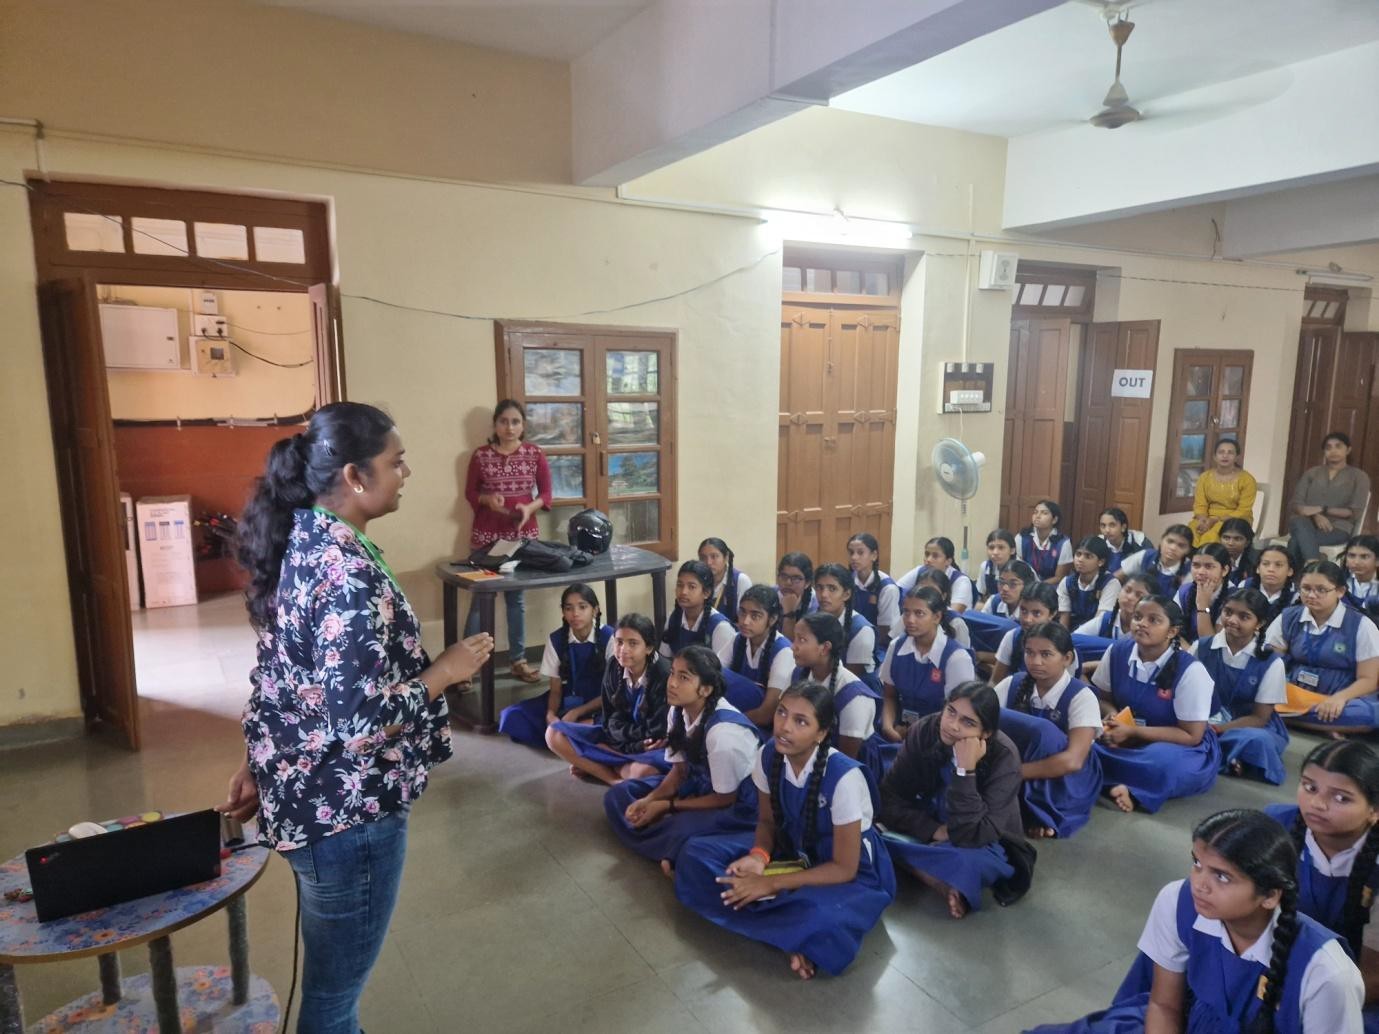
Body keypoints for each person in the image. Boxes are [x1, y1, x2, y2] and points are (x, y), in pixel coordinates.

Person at [222, 403, 495, 1033]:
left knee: (331, 984)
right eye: (396, 463)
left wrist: (258, 760)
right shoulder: (345, 572)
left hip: (307, 791)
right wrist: (445, 671)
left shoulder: (310, 539)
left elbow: (283, 673)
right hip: (348, 813)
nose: (406, 474)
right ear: (354, 476)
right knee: (332, 999)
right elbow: (360, 722)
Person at [1031, 809, 1364, 1034]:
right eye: (1197, 864)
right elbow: (1164, 1004)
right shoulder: (1178, 901)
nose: (1199, 884)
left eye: (1222, 876)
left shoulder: (1327, 972)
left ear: (1270, 895)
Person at [673, 680, 897, 980]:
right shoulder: (768, 756)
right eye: (781, 713)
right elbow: (767, 823)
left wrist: (771, 884)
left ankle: (781, 923)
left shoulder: (843, 778)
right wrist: (759, 856)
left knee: (824, 918)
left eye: (801, 721)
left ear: (821, 733)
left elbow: (845, 868)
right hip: (792, 848)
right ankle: (790, 932)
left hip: (850, 872)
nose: (784, 727)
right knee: (694, 854)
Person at [878, 683, 1033, 918]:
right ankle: (935, 878)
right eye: (950, 711)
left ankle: (915, 862)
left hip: (981, 840)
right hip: (931, 819)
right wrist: (932, 829)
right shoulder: (925, 730)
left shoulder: (1005, 757)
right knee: (867, 832)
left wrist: (965, 771)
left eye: (968, 723)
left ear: (986, 733)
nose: (953, 725)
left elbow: (976, 835)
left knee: (971, 863)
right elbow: (889, 796)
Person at [604, 646, 760, 874]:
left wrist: (668, 805)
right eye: (672, 673)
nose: (672, 683)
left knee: (680, 831)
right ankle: (663, 842)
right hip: (697, 784)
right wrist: (649, 800)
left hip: (737, 805)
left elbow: (725, 799)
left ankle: (667, 838)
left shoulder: (723, 734)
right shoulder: (677, 711)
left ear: (705, 689)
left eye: (684, 677)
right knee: (618, 795)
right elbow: (679, 772)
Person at [1266, 741, 1379, 1027]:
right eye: (1309, 787)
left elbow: (1373, 975)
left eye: (1341, 798)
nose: (1317, 804)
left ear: (1374, 811)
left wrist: (1298, 1005)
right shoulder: (1273, 825)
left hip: (1355, 985)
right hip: (1273, 964)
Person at [1090, 596, 1220, 814]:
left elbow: (1191, 736)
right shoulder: (1117, 651)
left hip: (1177, 745)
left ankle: (1129, 790)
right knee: (1083, 744)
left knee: (1162, 763)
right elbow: (1104, 699)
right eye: (1138, 617)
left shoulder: (1191, 671)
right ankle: (1121, 783)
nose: (1142, 624)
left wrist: (1133, 731)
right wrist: (1113, 718)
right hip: (1125, 734)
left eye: (1153, 620)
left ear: (1172, 631)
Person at [463, 399, 551, 684]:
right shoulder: (480, 456)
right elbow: (470, 493)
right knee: (480, 602)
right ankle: (465, 668)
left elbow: (546, 494)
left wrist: (529, 508)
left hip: (521, 539)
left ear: (523, 426)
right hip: (486, 539)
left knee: (516, 600)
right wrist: (488, 499)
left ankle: (518, 661)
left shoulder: (535, 454)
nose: (509, 427)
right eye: (504, 421)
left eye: (515, 422)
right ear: (495, 425)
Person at [994, 623, 1102, 839]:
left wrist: (1010, 772)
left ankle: (1037, 810)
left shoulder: (1082, 696)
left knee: (1043, 732)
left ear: (1067, 658)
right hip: (1016, 761)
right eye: (1029, 653)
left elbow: (1073, 761)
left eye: (1046, 654)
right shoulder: (1011, 684)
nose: (1035, 661)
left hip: (1064, 774)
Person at [545, 614, 671, 785]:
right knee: (553, 733)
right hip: (621, 741)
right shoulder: (613, 665)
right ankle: (612, 778)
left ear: (648, 648)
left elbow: (655, 735)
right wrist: (621, 743)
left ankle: (598, 764)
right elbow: (609, 719)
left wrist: (625, 745)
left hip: (647, 747)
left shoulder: (663, 676)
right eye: (619, 642)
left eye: (633, 643)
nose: (623, 649)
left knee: (643, 773)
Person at [1266, 559, 1379, 735]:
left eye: (1321, 590)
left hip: (1341, 698)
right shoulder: (1288, 617)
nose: (1312, 595)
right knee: (1255, 692)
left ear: (1340, 591)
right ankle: (1325, 724)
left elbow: (1369, 680)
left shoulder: (1361, 625)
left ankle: (1281, 717)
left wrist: (1339, 699)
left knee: (1369, 714)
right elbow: (1270, 664)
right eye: (1306, 588)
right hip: (1294, 693)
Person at [497, 583, 614, 747]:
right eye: (569, 608)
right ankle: (569, 735)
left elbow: (613, 692)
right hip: (569, 698)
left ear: (595, 610)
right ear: (563, 612)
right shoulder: (556, 639)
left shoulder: (610, 638)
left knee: (611, 724)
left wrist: (576, 712)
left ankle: (570, 734)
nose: (575, 614)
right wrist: (551, 715)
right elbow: (556, 690)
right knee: (511, 715)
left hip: (602, 702)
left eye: (582, 607)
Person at [1195, 588, 1290, 785]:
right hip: (1201, 720)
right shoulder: (1201, 647)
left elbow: (1259, 718)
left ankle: (1211, 752)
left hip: (1245, 727)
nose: (1232, 620)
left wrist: (1217, 729)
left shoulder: (1271, 662)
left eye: (1244, 617)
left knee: (1258, 741)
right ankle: (1229, 757)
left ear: (1260, 623)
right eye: (1228, 612)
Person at [876, 586, 976, 763]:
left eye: (919, 613)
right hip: (899, 729)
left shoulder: (956, 658)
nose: (910, 620)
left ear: (937, 617)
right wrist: (887, 726)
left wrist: (916, 732)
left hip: (939, 736)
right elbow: (889, 695)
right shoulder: (896, 646)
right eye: (906, 612)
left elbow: (958, 715)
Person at [790, 612, 876, 761]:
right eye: (794, 638)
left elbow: (846, 759)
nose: (793, 647)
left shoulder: (855, 698)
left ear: (825, 648)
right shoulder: (798, 674)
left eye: (802, 640)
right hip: (807, 753)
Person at [719, 585, 795, 728]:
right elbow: (712, 671)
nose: (745, 621)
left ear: (772, 619)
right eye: (742, 612)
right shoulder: (738, 639)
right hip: (735, 714)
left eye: (755, 616)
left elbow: (766, 714)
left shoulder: (783, 652)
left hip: (760, 726)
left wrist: (725, 720)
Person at [1289, 431, 1372, 561]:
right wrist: (1315, 515)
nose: (1333, 451)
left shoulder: (1359, 476)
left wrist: (1324, 509)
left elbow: (1354, 513)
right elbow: (1295, 504)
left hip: (1337, 529)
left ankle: (1309, 566)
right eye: (1328, 447)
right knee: (1299, 522)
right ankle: (1313, 566)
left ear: (1348, 450)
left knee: (1296, 541)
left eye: (1338, 446)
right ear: (1324, 451)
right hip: (1305, 523)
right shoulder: (1312, 473)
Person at [813, 562, 877, 680]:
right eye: (819, 587)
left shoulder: (862, 630)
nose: (824, 594)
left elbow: (850, 679)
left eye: (832, 589)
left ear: (846, 594)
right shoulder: (812, 621)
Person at [661, 560, 735, 657]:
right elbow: (665, 658)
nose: (683, 592)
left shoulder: (720, 627)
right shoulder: (673, 617)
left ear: (706, 593)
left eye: (692, 587)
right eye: (680, 585)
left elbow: (720, 666)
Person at [1191, 438, 1258, 545]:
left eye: (1230, 453)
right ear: (1214, 456)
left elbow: (1243, 510)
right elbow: (1200, 504)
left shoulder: (1247, 479)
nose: (1225, 456)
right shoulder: (1204, 477)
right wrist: (1203, 520)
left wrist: (1215, 520)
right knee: (1190, 533)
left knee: (1210, 537)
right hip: (1207, 517)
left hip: (1235, 519)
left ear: (1237, 457)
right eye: (1221, 452)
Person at [847, 532, 899, 663]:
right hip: (853, 636)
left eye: (860, 553)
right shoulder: (847, 580)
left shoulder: (887, 588)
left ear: (874, 555)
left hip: (880, 644)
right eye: (851, 552)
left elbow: (884, 631)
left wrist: (863, 643)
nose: (854, 557)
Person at [896, 536, 975, 612]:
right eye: (927, 554)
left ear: (948, 561)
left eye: (935, 556)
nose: (928, 559)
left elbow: (954, 613)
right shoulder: (919, 571)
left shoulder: (961, 581)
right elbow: (896, 591)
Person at [1175, 542, 1232, 646]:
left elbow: (1211, 645)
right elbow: (1172, 631)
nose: (1200, 572)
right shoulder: (1184, 591)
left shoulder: (1233, 598)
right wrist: (1189, 652)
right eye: (1196, 565)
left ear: (1224, 570)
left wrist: (1203, 605)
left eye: (1209, 566)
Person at [1057, 536, 1119, 631]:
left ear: (1101, 562)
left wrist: (1076, 636)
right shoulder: (1066, 582)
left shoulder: (1111, 583)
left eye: (1088, 556)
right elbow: (1063, 623)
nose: (1080, 559)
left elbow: (1100, 622)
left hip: (1097, 634)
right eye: (1078, 554)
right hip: (1070, 634)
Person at [1116, 524, 1194, 597]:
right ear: (1161, 540)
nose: (1173, 548)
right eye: (1170, 541)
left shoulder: (1190, 571)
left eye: (1181, 545)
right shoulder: (1146, 555)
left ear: (1188, 550)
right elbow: (1117, 577)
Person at [1014, 499, 1072, 584]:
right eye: (1035, 512)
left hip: (1050, 587)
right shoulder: (1021, 537)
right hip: (1025, 585)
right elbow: (1017, 569)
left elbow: (1059, 577)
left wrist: (1037, 587)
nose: (1037, 516)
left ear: (1054, 520)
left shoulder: (1063, 543)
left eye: (1044, 513)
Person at [699, 537, 751, 620]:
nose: (708, 562)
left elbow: (746, 618)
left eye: (714, 556)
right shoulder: (697, 580)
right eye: (703, 557)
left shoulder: (740, 580)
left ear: (726, 557)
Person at [776, 552, 815, 641]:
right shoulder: (770, 595)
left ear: (807, 583)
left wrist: (789, 613)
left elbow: (791, 645)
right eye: (784, 576)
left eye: (796, 578)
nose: (788, 582)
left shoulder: (816, 605)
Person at [1098, 507, 1148, 574]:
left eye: (1112, 525)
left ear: (1123, 527)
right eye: (1103, 526)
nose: (1107, 530)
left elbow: (1151, 569)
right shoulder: (1098, 543)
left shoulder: (1139, 541)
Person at [976, 529, 1017, 605]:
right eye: (991, 548)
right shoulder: (985, 567)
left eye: (1001, 548)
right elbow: (979, 595)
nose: (995, 552)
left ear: (1012, 550)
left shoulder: (1022, 569)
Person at [1345, 533, 1379, 623]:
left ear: (1377, 561)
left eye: (1364, 557)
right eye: (1351, 556)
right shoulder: (1338, 582)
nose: (1356, 562)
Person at [1219, 516, 1257, 588]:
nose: (1230, 543)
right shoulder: (1213, 558)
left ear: (1247, 542)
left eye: (1237, 539)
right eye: (1226, 538)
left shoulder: (1255, 562)